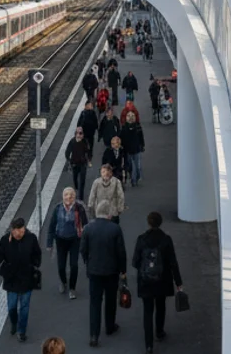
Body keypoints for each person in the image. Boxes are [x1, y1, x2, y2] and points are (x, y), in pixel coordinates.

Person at [132, 211, 183, 353]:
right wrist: (178, 282)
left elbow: (135, 262)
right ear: (160, 223)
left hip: (145, 281)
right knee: (161, 306)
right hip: (162, 280)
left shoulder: (141, 239)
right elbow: (173, 262)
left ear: (148, 223)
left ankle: (148, 345)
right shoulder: (166, 240)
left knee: (147, 311)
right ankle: (159, 332)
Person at [81, 200, 127, 346]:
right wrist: (123, 271)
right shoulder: (115, 229)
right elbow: (121, 252)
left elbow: (83, 250)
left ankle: (94, 335)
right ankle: (109, 326)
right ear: (109, 214)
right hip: (111, 271)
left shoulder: (88, 228)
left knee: (95, 302)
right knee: (110, 300)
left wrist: (88, 262)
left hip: (94, 271)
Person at [0, 217, 41, 343]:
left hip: (26, 278)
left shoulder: (31, 238)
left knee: (24, 307)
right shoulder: (5, 240)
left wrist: (34, 265)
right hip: (11, 279)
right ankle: (14, 322)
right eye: (17, 232)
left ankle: (21, 331)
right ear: (12, 230)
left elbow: (37, 254)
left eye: (21, 231)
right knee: (12, 306)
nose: (19, 234)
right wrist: (5, 268)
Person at [47, 187, 89, 300]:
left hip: (75, 239)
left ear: (74, 197)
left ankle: (72, 288)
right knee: (61, 266)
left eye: (71, 195)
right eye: (66, 195)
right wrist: (49, 243)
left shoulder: (79, 208)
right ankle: (63, 281)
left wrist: (86, 241)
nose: (68, 197)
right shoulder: (57, 208)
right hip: (60, 240)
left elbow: (86, 225)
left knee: (74, 265)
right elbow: (51, 226)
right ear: (63, 196)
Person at [119, 111, 146, 187]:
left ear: (135, 117)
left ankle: (136, 178)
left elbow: (141, 137)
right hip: (127, 151)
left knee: (138, 167)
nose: (130, 117)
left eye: (132, 115)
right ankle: (132, 178)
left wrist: (142, 145)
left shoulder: (138, 127)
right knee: (129, 166)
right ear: (126, 118)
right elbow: (120, 139)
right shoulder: (124, 128)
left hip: (136, 150)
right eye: (128, 116)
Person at [66, 127, 93, 197]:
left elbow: (88, 151)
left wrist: (89, 160)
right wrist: (69, 160)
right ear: (75, 134)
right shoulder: (72, 142)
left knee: (82, 180)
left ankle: (81, 197)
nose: (79, 135)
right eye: (78, 133)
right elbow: (67, 152)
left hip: (83, 163)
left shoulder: (85, 142)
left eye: (81, 133)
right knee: (75, 177)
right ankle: (76, 186)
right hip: (74, 163)